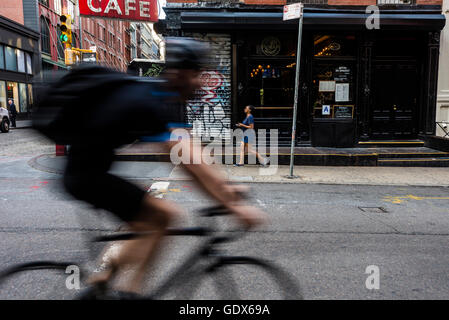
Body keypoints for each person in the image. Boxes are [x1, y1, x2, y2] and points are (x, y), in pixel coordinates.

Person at [37, 38, 266, 299]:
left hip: (91, 169)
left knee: (151, 221)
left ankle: (105, 280)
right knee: (163, 216)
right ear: (182, 74)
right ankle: (128, 292)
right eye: (197, 74)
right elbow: (186, 162)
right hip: (85, 175)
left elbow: (189, 150)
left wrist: (225, 187)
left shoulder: (158, 94)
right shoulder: (150, 101)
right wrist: (233, 205)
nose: (201, 82)